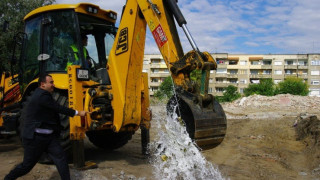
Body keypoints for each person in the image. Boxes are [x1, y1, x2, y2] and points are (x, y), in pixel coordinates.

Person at [4, 74, 87, 180]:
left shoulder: (45, 95)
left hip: (49, 138)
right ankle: (8, 178)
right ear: (43, 84)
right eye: (51, 82)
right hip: (35, 138)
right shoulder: (41, 95)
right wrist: (78, 113)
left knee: (61, 158)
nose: (53, 84)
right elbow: (58, 108)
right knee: (26, 166)